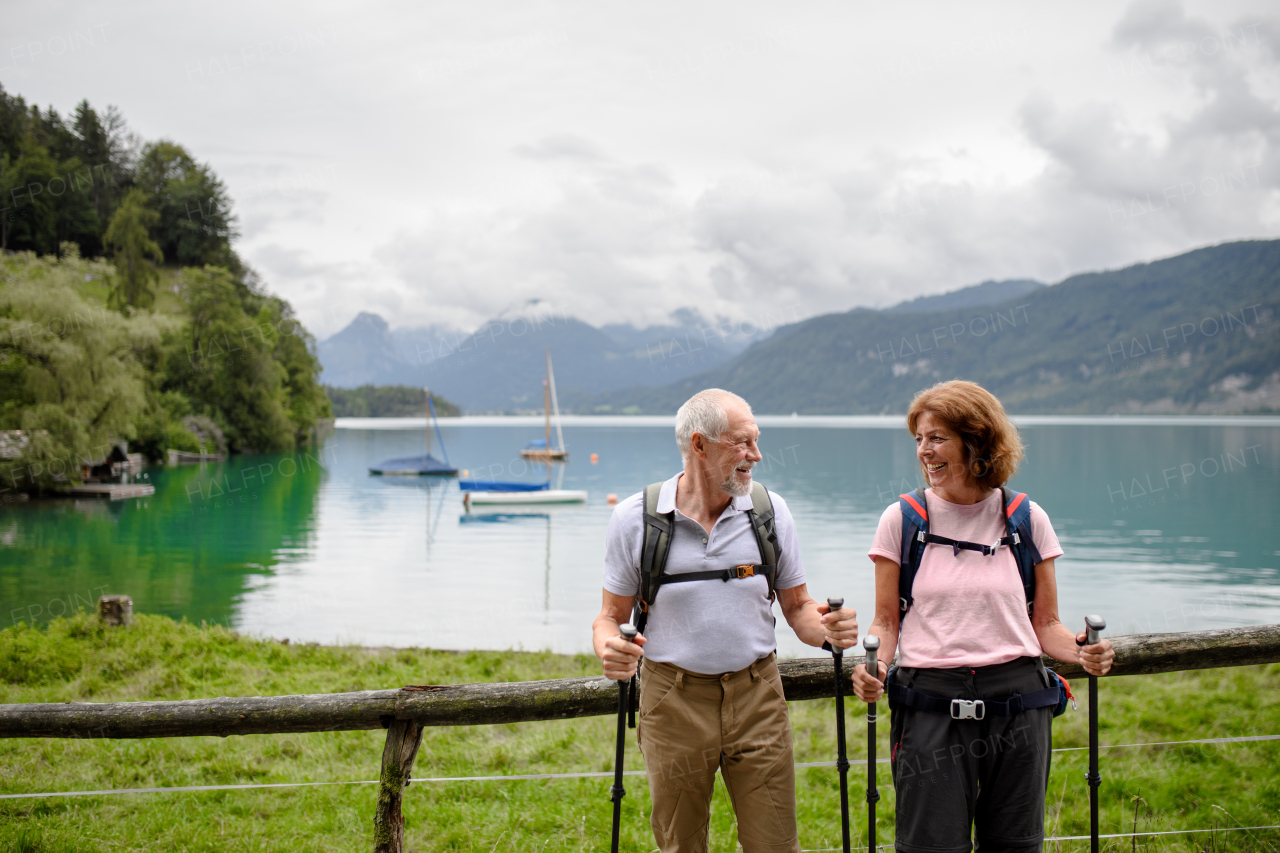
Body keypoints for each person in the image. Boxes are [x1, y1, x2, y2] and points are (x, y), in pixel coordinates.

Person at [850, 380, 1115, 853]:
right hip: (929, 706)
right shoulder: (902, 520)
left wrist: (1083, 652)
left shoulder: (1026, 518)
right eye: (918, 440)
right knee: (931, 846)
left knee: (1016, 846)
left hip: (1019, 706)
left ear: (976, 441)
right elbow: (886, 623)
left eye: (936, 438)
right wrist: (875, 667)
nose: (924, 452)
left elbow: (1046, 625)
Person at [593, 388, 856, 853]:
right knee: (681, 846)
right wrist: (609, 648)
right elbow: (609, 618)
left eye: (755, 441)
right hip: (671, 702)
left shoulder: (770, 513)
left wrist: (828, 632)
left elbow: (797, 607)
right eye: (742, 442)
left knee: (775, 845)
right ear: (699, 445)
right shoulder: (635, 519)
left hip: (757, 697)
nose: (755, 455)